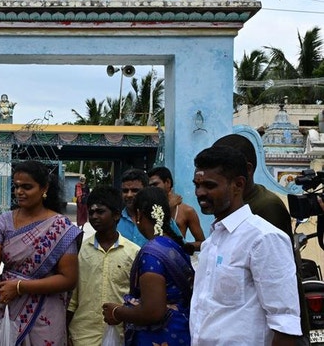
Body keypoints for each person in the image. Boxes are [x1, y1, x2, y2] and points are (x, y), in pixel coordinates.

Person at [0, 160, 81, 345]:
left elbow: (69, 279)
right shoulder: (3, 222)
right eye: (16, 186)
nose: (19, 192)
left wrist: (20, 287)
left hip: (45, 311)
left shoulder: (61, 227)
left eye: (27, 187)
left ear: (44, 188)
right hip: (10, 307)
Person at [190, 145, 301, 345]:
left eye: (209, 185)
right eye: (197, 185)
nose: (200, 192)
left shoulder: (264, 239)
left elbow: (285, 326)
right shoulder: (211, 243)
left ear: (238, 185)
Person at [101, 187, 194, 345]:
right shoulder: (174, 245)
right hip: (181, 331)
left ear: (138, 215)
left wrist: (117, 312)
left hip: (160, 337)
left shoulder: (151, 254)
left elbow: (153, 311)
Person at [68, 186, 139, 346]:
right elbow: (73, 298)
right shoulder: (80, 250)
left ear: (116, 215)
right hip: (83, 335)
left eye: (100, 212)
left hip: (121, 335)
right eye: (91, 212)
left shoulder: (133, 253)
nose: (94, 217)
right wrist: (66, 331)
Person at [117, 169, 182, 247]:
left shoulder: (161, 219)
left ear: (146, 190)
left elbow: (179, 247)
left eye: (135, 190)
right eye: (125, 191)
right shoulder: (115, 222)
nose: (129, 195)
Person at [147, 166, 205, 253]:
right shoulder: (147, 210)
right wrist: (168, 208)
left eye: (155, 184)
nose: (152, 189)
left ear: (168, 182)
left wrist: (181, 246)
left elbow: (203, 243)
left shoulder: (186, 211)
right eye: (150, 186)